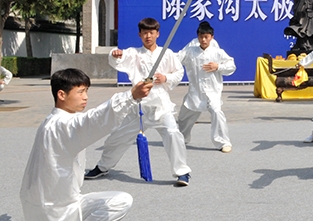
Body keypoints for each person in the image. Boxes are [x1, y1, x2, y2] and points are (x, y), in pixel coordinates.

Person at [20, 68, 153, 221]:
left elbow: (89, 121)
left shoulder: (52, 121)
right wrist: (130, 96)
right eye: (80, 92)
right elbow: (94, 120)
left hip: (45, 207)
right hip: (57, 210)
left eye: (86, 91)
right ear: (61, 94)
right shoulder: (62, 125)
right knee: (121, 201)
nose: (86, 98)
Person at [85, 18, 192, 186]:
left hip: (160, 106)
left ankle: (182, 172)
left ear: (158, 34)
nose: (148, 36)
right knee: (117, 137)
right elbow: (117, 60)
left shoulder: (167, 53)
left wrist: (166, 77)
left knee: (172, 134)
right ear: (140, 35)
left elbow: (178, 72)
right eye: (145, 33)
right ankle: (102, 166)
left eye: (151, 32)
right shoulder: (134, 53)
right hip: (138, 105)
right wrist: (115, 54)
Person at [177, 21, 237, 153]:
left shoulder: (218, 52)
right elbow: (176, 59)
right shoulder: (190, 51)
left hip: (213, 92)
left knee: (217, 112)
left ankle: (223, 142)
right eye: (201, 36)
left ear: (211, 37)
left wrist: (218, 67)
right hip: (195, 92)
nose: (204, 39)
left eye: (206, 37)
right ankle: (182, 138)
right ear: (197, 37)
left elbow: (231, 66)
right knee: (183, 118)